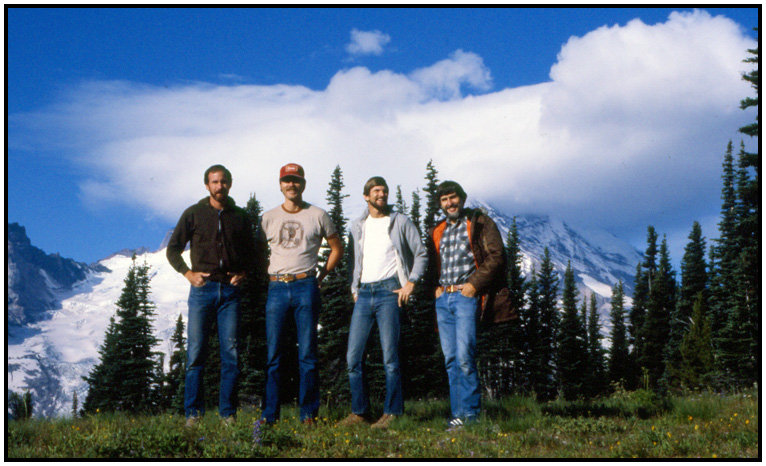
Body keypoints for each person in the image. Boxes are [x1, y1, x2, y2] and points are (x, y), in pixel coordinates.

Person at [166, 164, 256, 428]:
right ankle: (193, 415)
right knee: (196, 354)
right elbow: (173, 249)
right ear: (207, 185)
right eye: (215, 182)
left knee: (231, 355)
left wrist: (245, 272)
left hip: (230, 291)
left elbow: (254, 252)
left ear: (230, 184)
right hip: (202, 290)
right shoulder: (193, 213)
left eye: (223, 181)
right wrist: (187, 273)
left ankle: (227, 415)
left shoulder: (240, 216)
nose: (219, 186)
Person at [339, 177, 427, 430]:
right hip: (364, 293)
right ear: (366, 196)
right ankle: (360, 412)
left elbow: (420, 253)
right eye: (376, 190)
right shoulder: (358, 225)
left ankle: (393, 412)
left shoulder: (399, 221)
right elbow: (353, 260)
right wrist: (354, 289)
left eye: (385, 190)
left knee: (390, 356)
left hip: (390, 291)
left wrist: (411, 283)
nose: (382, 194)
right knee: (353, 357)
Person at [260, 163, 344, 425]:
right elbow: (257, 252)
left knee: (307, 354)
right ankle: (269, 416)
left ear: (303, 184)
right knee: (273, 354)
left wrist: (321, 276)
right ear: (280, 185)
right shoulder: (268, 217)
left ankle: (308, 415)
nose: (291, 185)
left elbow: (337, 247)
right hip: (276, 287)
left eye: (295, 180)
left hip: (305, 285)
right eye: (286, 180)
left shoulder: (317, 215)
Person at [426, 180, 508, 430]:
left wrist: (473, 285)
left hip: (465, 297)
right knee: (451, 358)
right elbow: (430, 264)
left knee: (464, 356)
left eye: (453, 197)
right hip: (444, 299)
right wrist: (434, 288)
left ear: (462, 198)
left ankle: (470, 416)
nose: (449, 203)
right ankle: (457, 415)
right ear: (440, 204)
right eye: (444, 200)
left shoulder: (479, 223)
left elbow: (497, 256)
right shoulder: (437, 230)